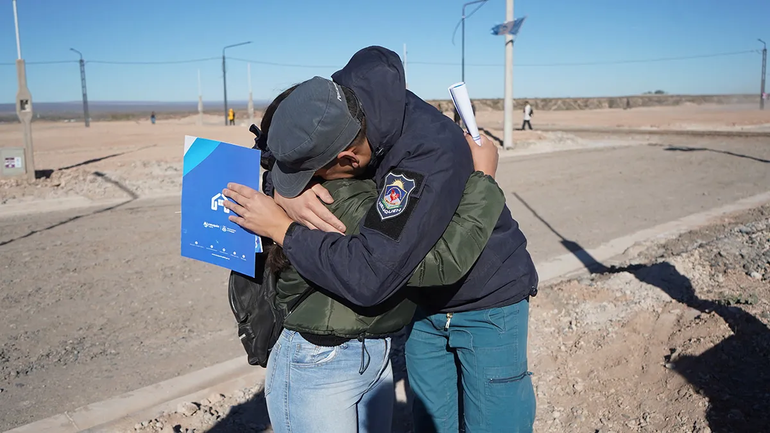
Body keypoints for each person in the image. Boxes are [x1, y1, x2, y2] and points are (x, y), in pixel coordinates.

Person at [223, 46, 538, 432]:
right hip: (421, 308)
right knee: (433, 423)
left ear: (348, 160)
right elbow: (278, 139)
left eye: (311, 173)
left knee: (495, 422)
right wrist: (283, 189)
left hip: (486, 299)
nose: (308, 183)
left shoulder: (427, 155)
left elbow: (377, 272)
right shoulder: (338, 100)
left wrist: (281, 229)